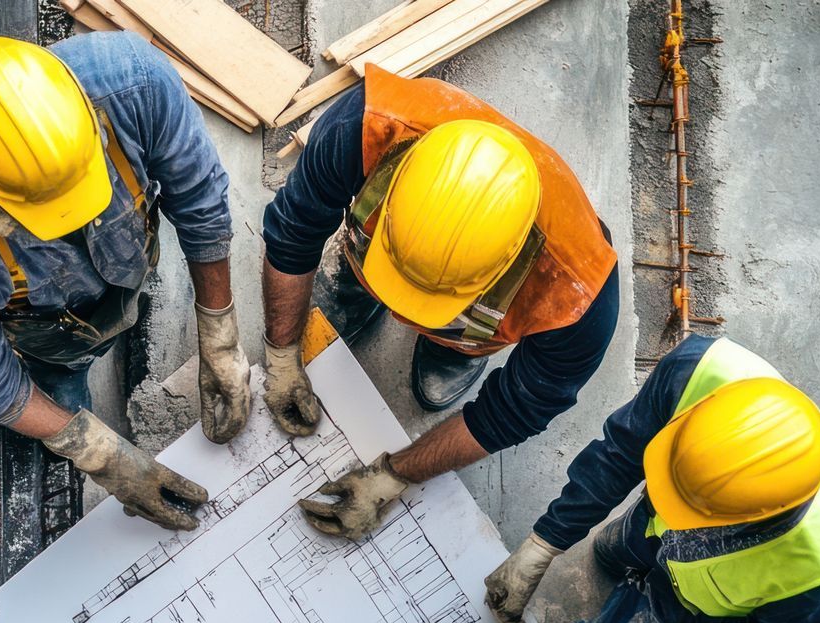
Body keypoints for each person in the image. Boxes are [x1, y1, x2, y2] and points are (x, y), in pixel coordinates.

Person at [0, 34, 248, 531]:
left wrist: (220, 335)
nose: (74, 223)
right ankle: (68, 391)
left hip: (128, 270)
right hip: (52, 339)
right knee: (63, 399)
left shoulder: (136, 83)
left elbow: (201, 204)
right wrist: (101, 454)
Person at [262, 68, 621, 541]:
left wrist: (393, 475)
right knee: (348, 268)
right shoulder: (368, 125)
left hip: (477, 323)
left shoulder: (577, 292)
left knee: (465, 338)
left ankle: (453, 349)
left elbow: (514, 412)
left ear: (512, 261)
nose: (404, 314)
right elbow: (293, 234)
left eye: (430, 299)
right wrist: (281, 355)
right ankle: (358, 282)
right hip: (370, 251)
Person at [481, 334, 820, 623]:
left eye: (690, 510)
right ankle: (618, 557)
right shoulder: (701, 371)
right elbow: (617, 457)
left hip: (692, 612)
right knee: (618, 544)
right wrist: (545, 542)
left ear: (747, 521)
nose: (677, 519)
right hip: (652, 531)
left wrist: (678, 619)